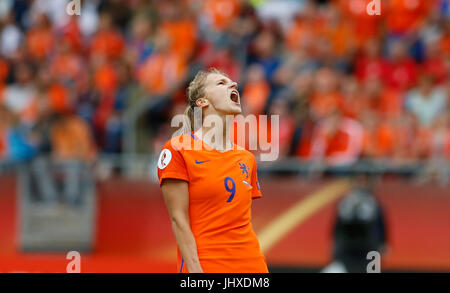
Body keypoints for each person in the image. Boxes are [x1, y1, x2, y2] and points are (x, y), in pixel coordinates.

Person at [157, 68, 268, 273]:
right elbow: (179, 220)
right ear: (202, 102)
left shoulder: (247, 159)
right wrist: (195, 272)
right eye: (221, 83)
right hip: (207, 265)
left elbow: (239, 222)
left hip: (252, 267)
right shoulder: (178, 149)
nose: (233, 84)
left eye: (232, 82)